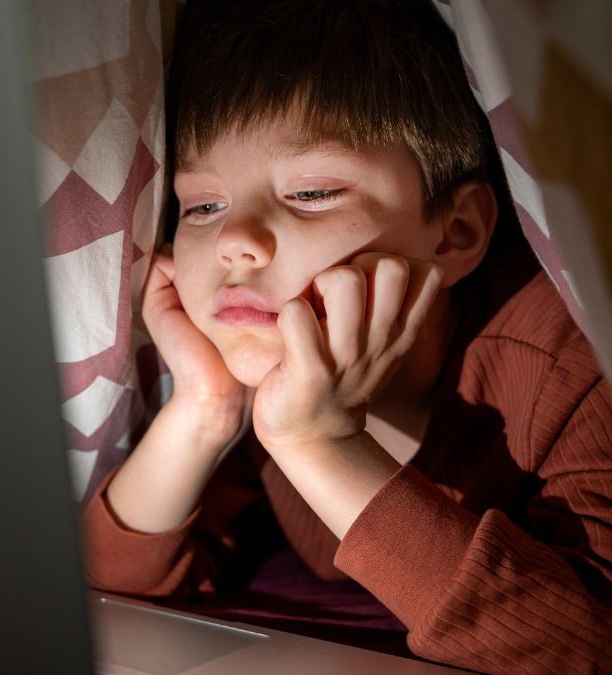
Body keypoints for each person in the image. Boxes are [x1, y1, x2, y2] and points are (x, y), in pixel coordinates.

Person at [81, 1, 612, 671]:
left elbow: (588, 645)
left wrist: (320, 444)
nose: (236, 243)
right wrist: (203, 411)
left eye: (311, 193)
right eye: (204, 206)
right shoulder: (256, 372)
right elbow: (103, 590)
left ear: (456, 234)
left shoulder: (569, 361)